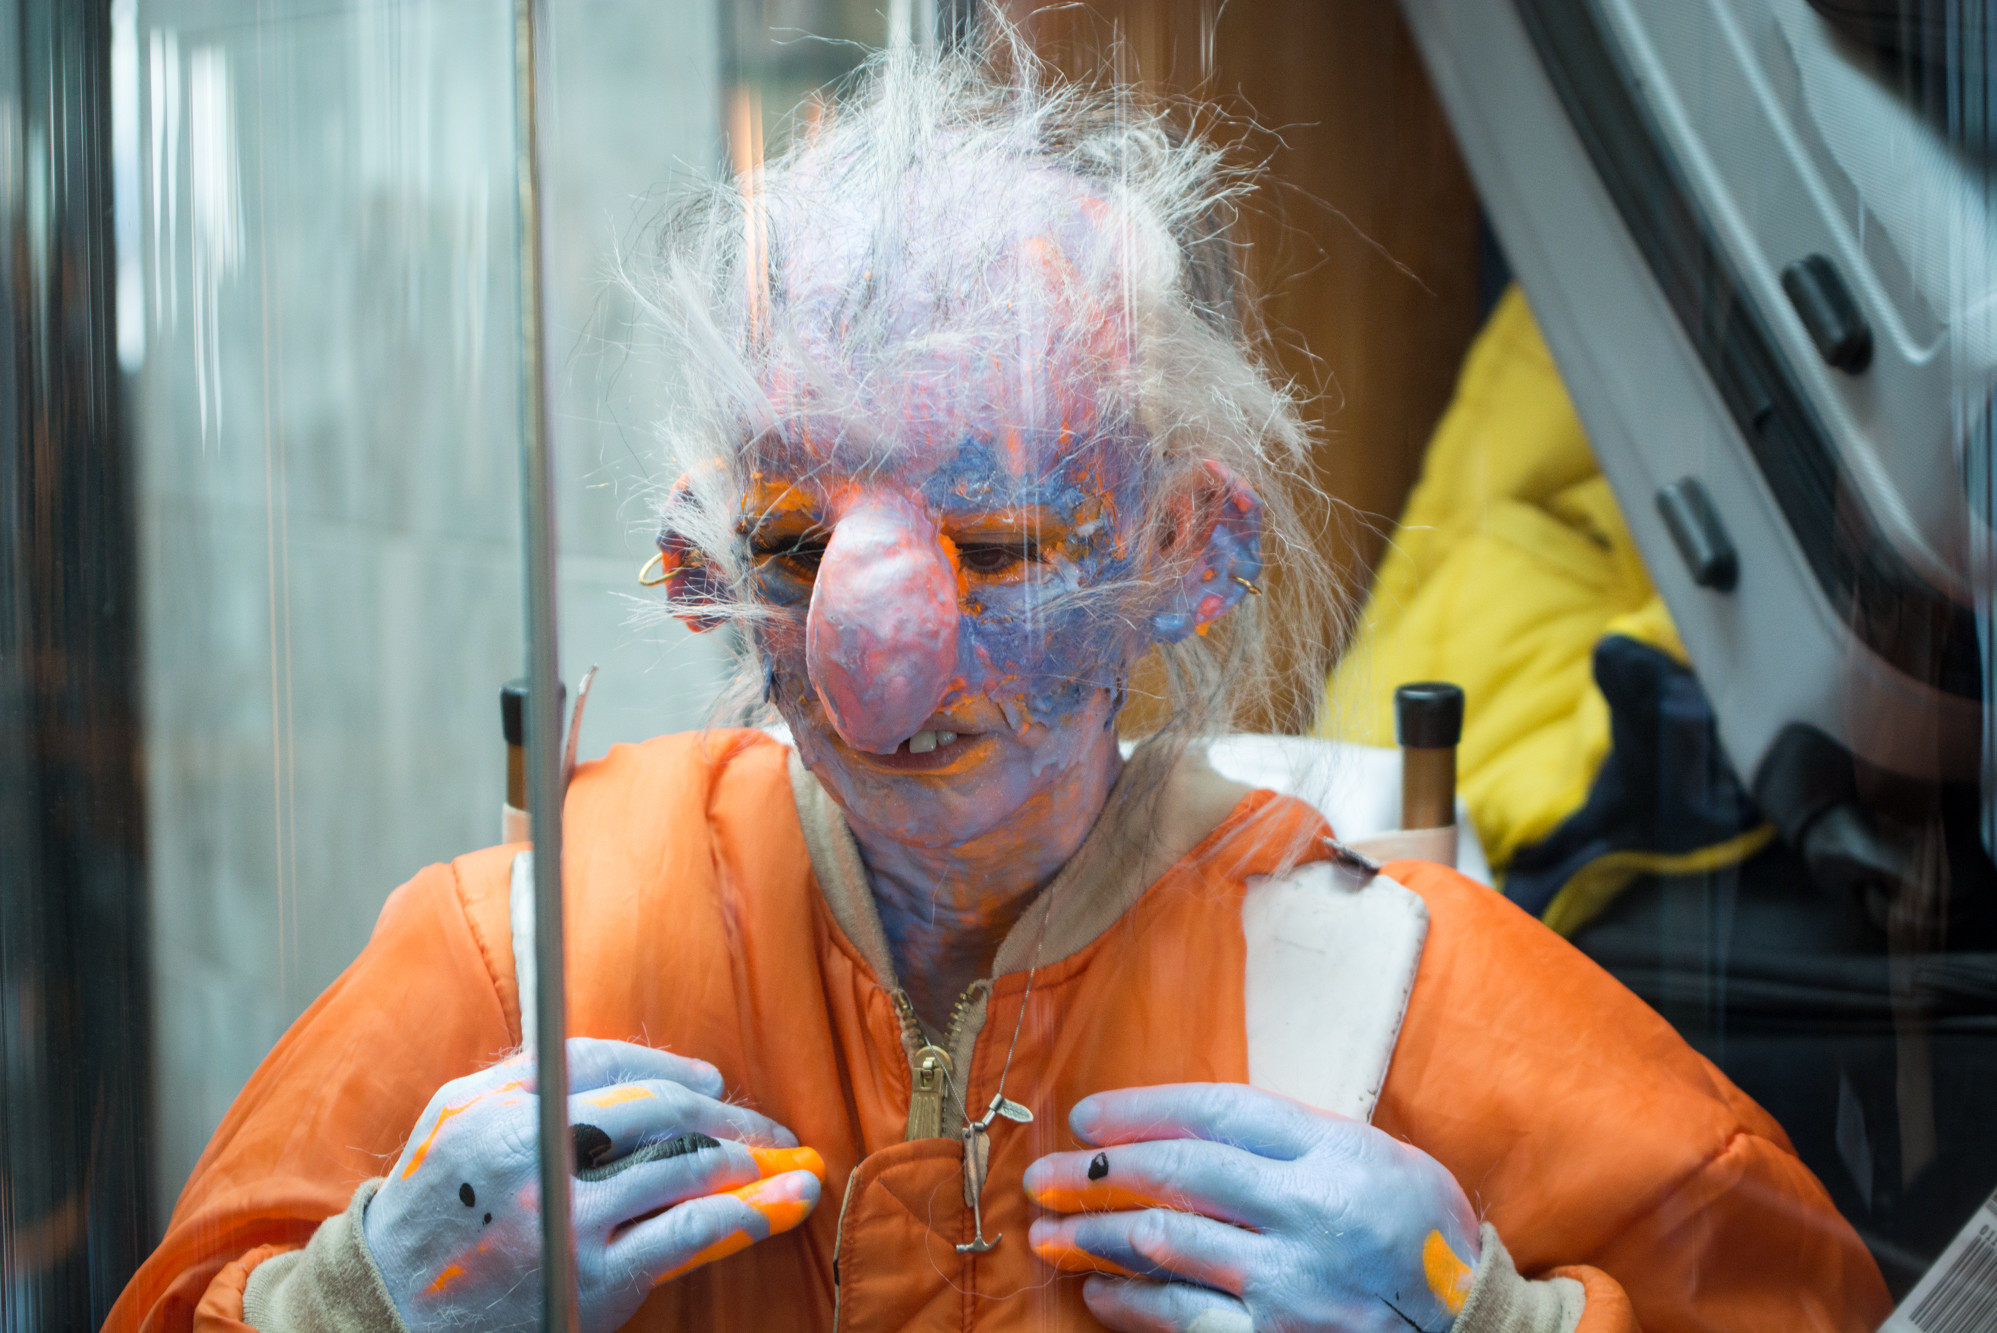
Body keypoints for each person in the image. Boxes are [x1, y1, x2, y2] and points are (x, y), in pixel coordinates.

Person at [111, 37, 1889, 1333]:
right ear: (701, 565)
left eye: (1008, 544)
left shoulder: (1385, 985)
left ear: (1192, 547)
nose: (881, 670)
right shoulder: (529, 953)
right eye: (799, 551)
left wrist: (1496, 1325)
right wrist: (353, 1304)